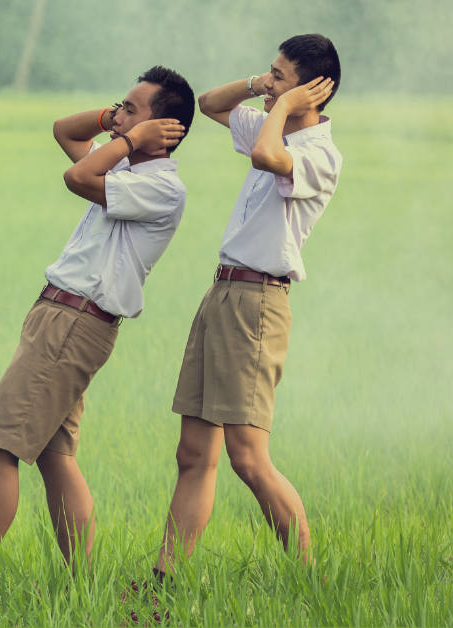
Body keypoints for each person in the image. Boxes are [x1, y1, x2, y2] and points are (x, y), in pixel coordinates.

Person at [0, 66, 194, 576]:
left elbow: (76, 177)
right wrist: (119, 121)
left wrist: (129, 138)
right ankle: (84, 585)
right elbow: (65, 131)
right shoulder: (126, 170)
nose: (118, 117)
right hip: (63, 318)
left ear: (164, 129)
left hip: (72, 322)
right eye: (120, 106)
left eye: (133, 109)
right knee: (53, 455)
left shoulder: (160, 187)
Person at [154, 34, 342, 579]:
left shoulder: (319, 154)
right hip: (223, 293)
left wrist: (283, 105)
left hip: (259, 301)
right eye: (270, 73)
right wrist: (264, 88)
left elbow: (265, 155)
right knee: (193, 453)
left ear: (312, 91)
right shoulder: (271, 120)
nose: (268, 84)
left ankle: (309, 578)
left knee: (248, 457)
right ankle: (164, 582)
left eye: (280, 75)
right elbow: (210, 105)